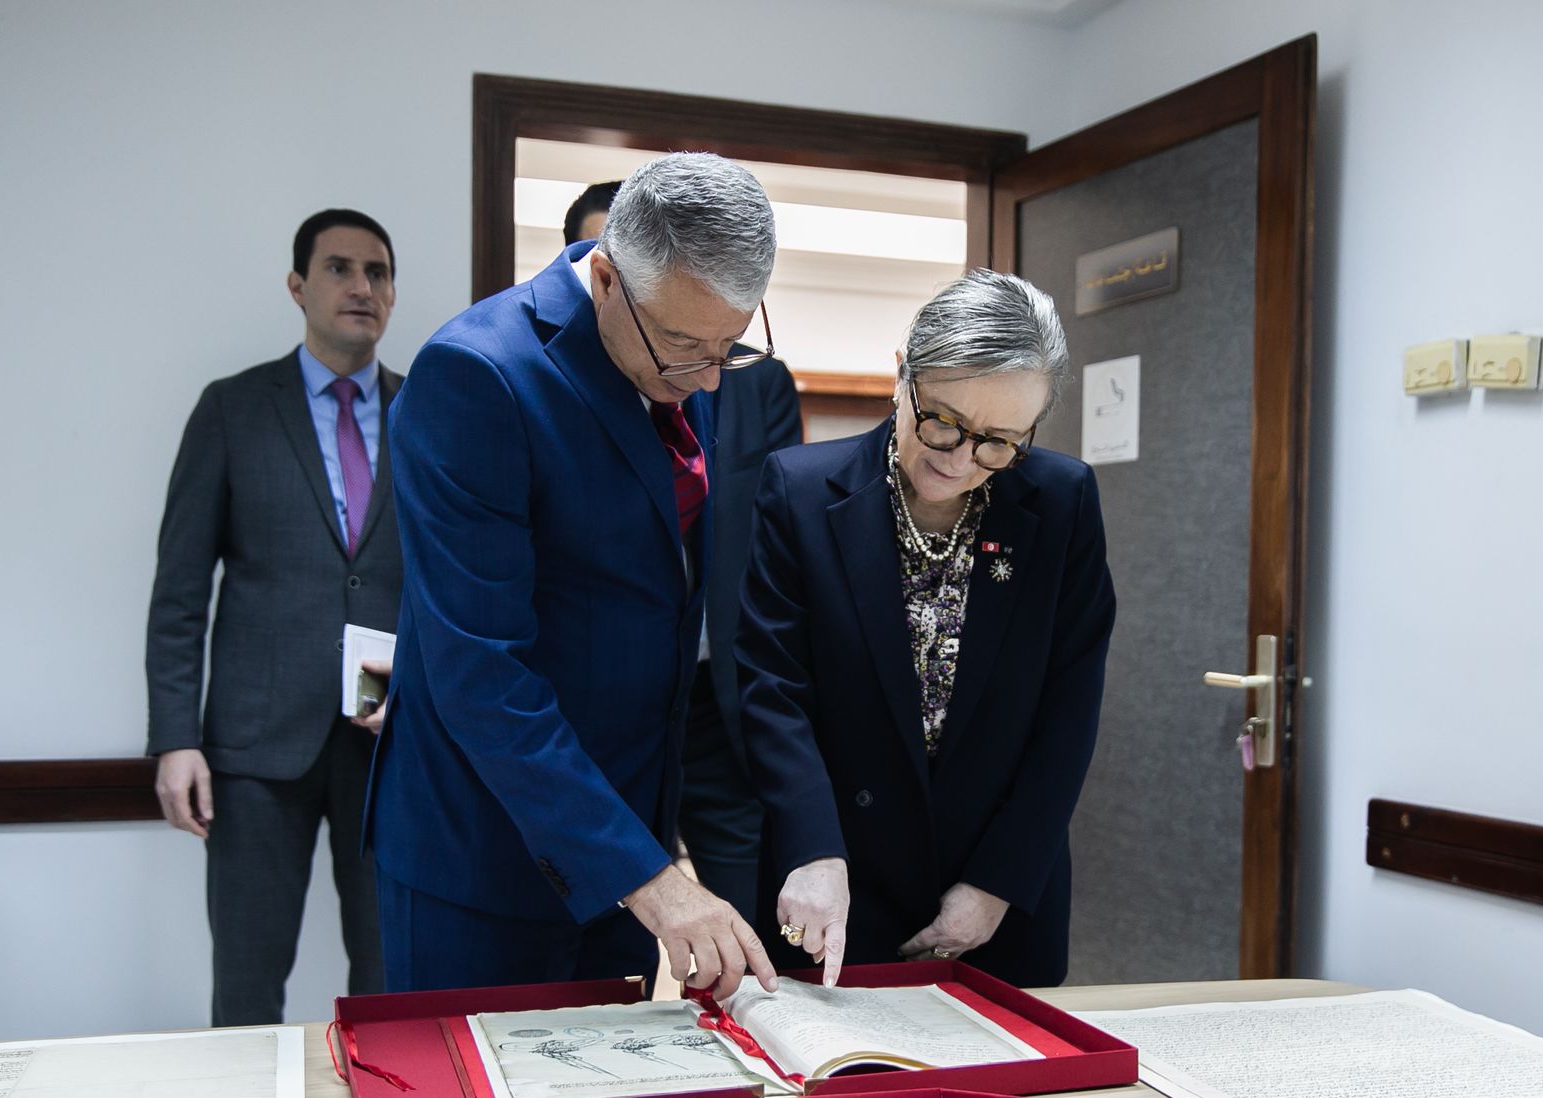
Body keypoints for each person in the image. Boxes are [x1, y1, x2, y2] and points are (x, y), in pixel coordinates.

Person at [371, 153, 780, 997]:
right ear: (604, 278)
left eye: (728, 346)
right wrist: (650, 875)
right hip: (482, 860)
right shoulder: (476, 376)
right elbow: (481, 668)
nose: (709, 377)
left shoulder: (678, 350)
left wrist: (644, 856)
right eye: (686, 347)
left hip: (622, 839)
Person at [737, 270, 1116, 988]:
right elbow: (772, 689)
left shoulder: (1062, 503)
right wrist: (812, 847)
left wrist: (998, 881)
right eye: (942, 420)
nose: (961, 458)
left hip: (994, 886)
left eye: (998, 441)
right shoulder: (800, 489)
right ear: (901, 375)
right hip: (834, 877)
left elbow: (1069, 711)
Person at [145, 208, 402, 1025]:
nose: (361, 287)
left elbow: (453, 581)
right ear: (298, 286)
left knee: (393, 971)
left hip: (389, 736)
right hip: (255, 746)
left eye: (377, 272)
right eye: (339, 268)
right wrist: (175, 738)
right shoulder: (233, 408)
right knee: (248, 978)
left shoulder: (426, 410)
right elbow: (180, 590)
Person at [563, 180, 803, 921]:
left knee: (749, 924)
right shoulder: (546, 385)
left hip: (719, 696)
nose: (704, 367)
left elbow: (778, 544)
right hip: (599, 706)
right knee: (608, 911)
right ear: (603, 279)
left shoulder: (753, 381)